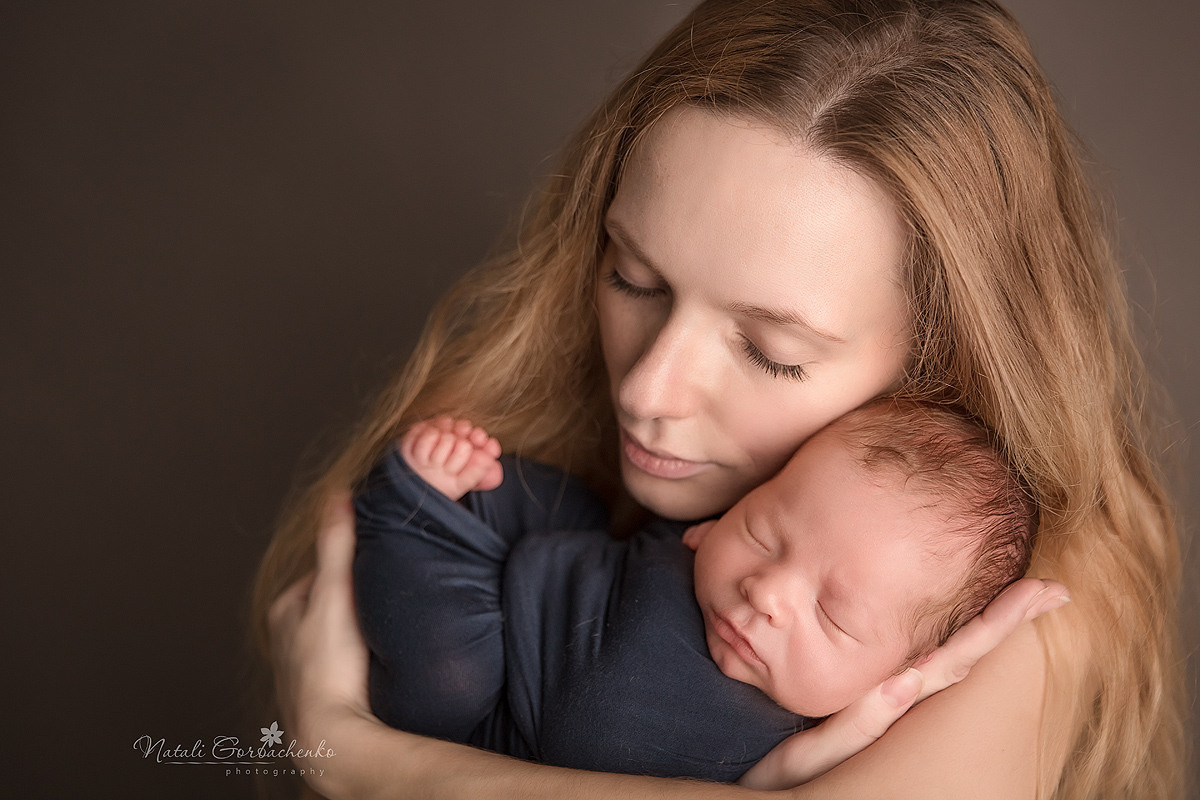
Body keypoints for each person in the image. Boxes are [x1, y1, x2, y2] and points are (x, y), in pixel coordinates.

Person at [255, 1, 1186, 798]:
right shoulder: (534, 473)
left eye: (770, 352)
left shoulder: (1013, 610)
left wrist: (357, 755)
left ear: (938, 370)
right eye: (633, 279)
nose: (646, 390)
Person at [352, 401, 1039, 787]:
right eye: (763, 533)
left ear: (892, 674)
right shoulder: (697, 546)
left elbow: (909, 694)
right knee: (562, 501)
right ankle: (432, 492)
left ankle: (405, 510)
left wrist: (941, 671)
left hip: (485, 713)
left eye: (833, 616)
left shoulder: (801, 751)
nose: (766, 590)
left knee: (445, 681)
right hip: (531, 560)